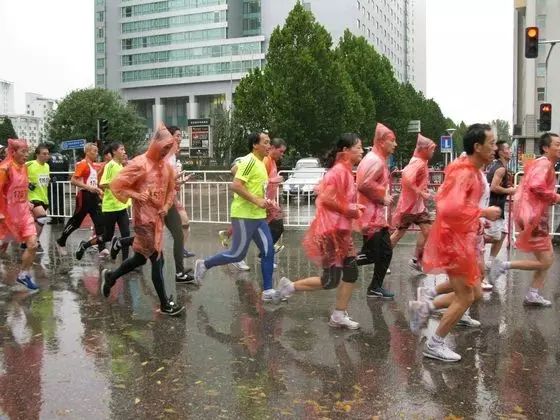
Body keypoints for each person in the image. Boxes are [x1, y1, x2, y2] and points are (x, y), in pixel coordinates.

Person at [409, 123, 501, 362]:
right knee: (466, 296)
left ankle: (424, 308)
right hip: (455, 241)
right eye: (491, 143)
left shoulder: (470, 169)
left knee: (476, 292)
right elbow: (449, 208)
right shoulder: (465, 172)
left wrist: (478, 222)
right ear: (477, 146)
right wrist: (482, 214)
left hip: (463, 238)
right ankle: (435, 343)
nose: (495, 148)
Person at [273, 133, 364, 328]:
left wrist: (353, 209)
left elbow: (322, 191)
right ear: (345, 150)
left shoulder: (344, 171)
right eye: (358, 147)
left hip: (339, 232)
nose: (362, 151)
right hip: (331, 233)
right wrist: (351, 209)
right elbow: (325, 197)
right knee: (331, 279)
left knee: (347, 275)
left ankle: (338, 314)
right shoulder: (339, 171)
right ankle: (289, 287)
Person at [100, 124, 184, 316]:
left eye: (167, 149)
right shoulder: (139, 163)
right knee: (157, 258)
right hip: (144, 220)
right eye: (162, 148)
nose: (164, 152)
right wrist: (136, 195)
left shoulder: (166, 168)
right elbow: (117, 185)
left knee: (139, 258)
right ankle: (164, 304)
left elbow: (171, 190)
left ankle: (111, 276)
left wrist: (165, 206)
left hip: (158, 219)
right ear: (155, 145)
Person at [194, 132, 278, 302]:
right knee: (237, 254)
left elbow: (256, 189)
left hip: (258, 216)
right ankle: (204, 264)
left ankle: (268, 291)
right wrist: (256, 200)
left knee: (268, 251)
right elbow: (236, 185)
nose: (269, 146)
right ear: (255, 145)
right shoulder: (248, 161)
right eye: (266, 142)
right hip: (244, 215)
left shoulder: (262, 163)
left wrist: (267, 203)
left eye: (269, 143)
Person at [489, 132, 560, 306]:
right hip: (534, 217)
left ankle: (533, 294)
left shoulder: (542, 163)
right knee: (545, 260)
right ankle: (504, 266)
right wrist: (556, 197)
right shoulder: (544, 164)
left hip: (533, 215)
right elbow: (536, 187)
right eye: (557, 144)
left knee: (547, 259)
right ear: (545, 147)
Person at [356, 123, 397, 299]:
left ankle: (374, 286)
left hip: (374, 216)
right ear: (381, 142)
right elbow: (364, 184)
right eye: (392, 141)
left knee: (381, 253)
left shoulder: (375, 159)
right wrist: (382, 197)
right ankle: (342, 262)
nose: (395, 145)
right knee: (378, 253)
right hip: (371, 217)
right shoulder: (376, 161)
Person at [75, 142, 131, 261]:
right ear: (114, 152)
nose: (124, 152)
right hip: (110, 207)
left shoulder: (121, 166)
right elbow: (103, 184)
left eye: (124, 149)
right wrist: (117, 186)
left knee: (126, 234)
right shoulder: (110, 165)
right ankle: (85, 245)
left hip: (121, 206)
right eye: (122, 149)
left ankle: (126, 262)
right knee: (107, 236)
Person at [390, 134, 435, 271]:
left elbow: (408, 174)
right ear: (424, 150)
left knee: (427, 231)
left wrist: (400, 173)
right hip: (410, 207)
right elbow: (408, 179)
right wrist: (422, 193)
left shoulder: (419, 160)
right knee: (398, 234)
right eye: (432, 150)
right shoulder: (419, 162)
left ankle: (416, 259)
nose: (433, 153)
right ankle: (381, 259)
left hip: (417, 207)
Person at [0, 139, 39, 290]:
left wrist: (27, 201)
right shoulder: (4, 168)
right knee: (2, 247)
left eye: (27, 151)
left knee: (33, 244)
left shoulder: (24, 167)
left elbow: (22, 188)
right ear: (13, 152)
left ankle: (23, 274)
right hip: (7, 214)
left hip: (23, 213)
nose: (26, 154)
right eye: (23, 151)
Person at [55, 143, 104, 256]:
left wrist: (97, 190)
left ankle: (102, 249)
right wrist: (90, 187)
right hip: (84, 196)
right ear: (87, 152)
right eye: (94, 151)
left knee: (100, 222)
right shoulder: (83, 164)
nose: (97, 153)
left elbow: (93, 181)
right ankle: (61, 241)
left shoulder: (92, 165)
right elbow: (73, 180)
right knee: (76, 222)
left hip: (93, 197)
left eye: (97, 151)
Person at [485, 141, 515, 267]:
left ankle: (490, 262)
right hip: (493, 207)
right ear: (502, 152)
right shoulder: (501, 168)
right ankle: (471, 242)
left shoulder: (501, 166)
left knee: (502, 234)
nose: (511, 151)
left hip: (498, 206)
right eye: (508, 148)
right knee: (494, 237)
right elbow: (493, 187)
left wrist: (508, 187)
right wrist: (509, 190)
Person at [263, 138, 287, 252]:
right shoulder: (266, 161)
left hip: (269, 202)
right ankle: (265, 252)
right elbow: (260, 181)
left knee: (276, 227)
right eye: (281, 151)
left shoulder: (272, 161)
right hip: (263, 202)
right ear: (273, 148)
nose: (282, 155)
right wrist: (274, 180)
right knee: (277, 227)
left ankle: (266, 251)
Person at [26, 143, 51, 251]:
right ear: (37, 154)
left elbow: (44, 180)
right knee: (42, 217)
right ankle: (35, 241)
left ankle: (26, 242)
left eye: (48, 154)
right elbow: (16, 174)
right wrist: (27, 183)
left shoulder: (47, 166)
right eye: (44, 154)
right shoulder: (29, 164)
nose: (47, 156)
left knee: (36, 221)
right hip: (32, 196)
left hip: (44, 197)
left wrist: (49, 180)